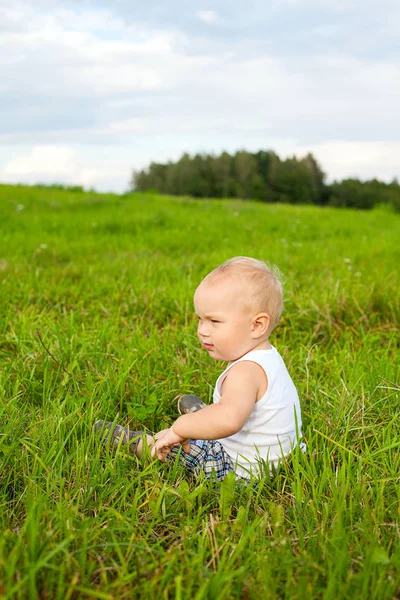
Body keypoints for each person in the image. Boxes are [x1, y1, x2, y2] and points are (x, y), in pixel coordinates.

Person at [95, 257, 303, 481]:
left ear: (256, 325)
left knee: (177, 448)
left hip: (241, 471)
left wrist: (180, 429)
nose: (202, 330)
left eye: (214, 321)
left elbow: (230, 420)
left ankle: (140, 443)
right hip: (283, 460)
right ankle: (204, 415)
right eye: (200, 319)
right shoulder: (267, 357)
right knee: (219, 413)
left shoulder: (245, 372)